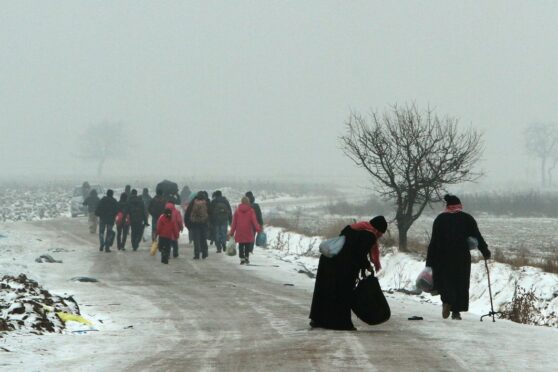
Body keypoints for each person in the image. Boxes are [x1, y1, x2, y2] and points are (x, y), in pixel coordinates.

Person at [309, 216, 387, 330]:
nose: (380, 236)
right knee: (343, 294)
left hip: (329, 260)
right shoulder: (369, 235)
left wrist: (364, 265)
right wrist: (367, 266)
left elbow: (351, 247)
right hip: (342, 266)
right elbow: (359, 254)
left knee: (324, 291)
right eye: (381, 233)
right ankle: (341, 323)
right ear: (378, 229)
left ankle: (318, 320)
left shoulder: (354, 228)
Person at [426, 194, 491, 320]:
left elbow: (433, 242)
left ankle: (447, 301)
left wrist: (429, 262)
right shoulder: (467, 218)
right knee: (460, 282)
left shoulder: (440, 219)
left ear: (447, 206)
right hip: (461, 257)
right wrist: (485, 251)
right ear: (459, 206)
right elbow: (477, 236)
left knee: (446, 281)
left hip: (442, 257)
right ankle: (456, 312)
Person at [228, 196, 261, 264]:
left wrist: (232, 232)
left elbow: (234, 222)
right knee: (247, 245)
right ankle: (246, 257)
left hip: (239, 230)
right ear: (248, 202)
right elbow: (254, 221)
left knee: (241, 245)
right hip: (248, 230)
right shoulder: (251, 211)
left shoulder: (237, 211)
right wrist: (258, 229)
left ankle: (242, 258)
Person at [184, 191, 210, 259]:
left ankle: (197, 254)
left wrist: (188, 224)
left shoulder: (193, 202)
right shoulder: (206, 202)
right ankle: (205, 253)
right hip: (204, 223)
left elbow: (188, 213)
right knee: (203, 239)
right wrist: (209, 223)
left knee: (196, 239)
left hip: (195, 224)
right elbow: (210, 213)